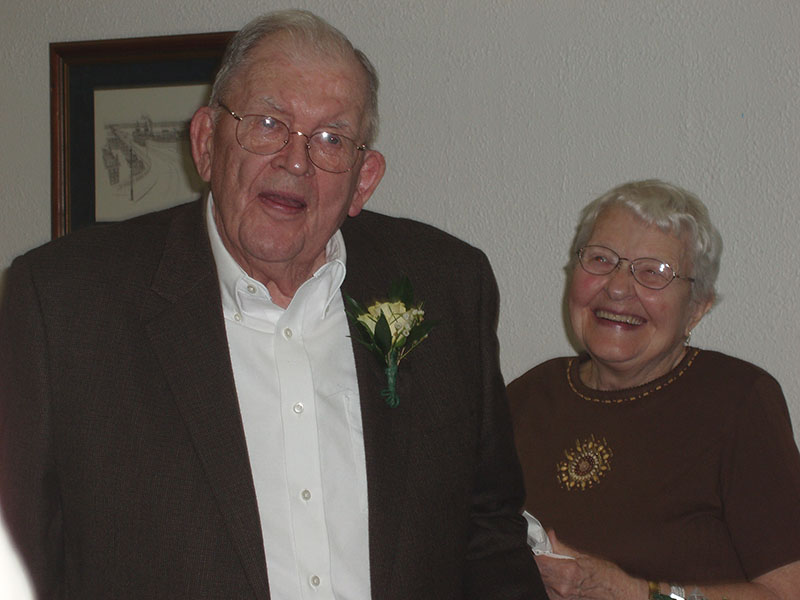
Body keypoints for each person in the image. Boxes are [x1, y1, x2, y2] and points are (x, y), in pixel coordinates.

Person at [0, 10, 546, 600]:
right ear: (207, 142)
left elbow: (488, 534)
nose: (295, 161)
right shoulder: (64, 303)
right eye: (267, 123)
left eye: (332, 140)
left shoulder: (447, 285)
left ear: (364, 179)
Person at [508, 180, 800, 600]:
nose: (618, 287)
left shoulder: (737, 400)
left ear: (696, 308)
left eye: (653, 272)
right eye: (601, 259)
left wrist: (633, 593)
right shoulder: (529, 395)